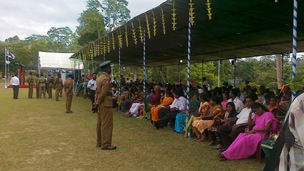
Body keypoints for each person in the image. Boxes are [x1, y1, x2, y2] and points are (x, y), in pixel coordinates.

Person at [96, 61, 116, 150]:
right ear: (107, 68)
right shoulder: (106, 79)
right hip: (106, 104)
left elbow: (97, 92)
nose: (111, 69)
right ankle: (106, 144)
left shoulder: (99, 77)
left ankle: (99, 142)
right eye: (110, 67)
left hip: (101, 104)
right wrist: (98, 102)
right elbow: (103, 93)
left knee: (100, 123)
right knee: (106, 124)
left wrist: (96, 102)